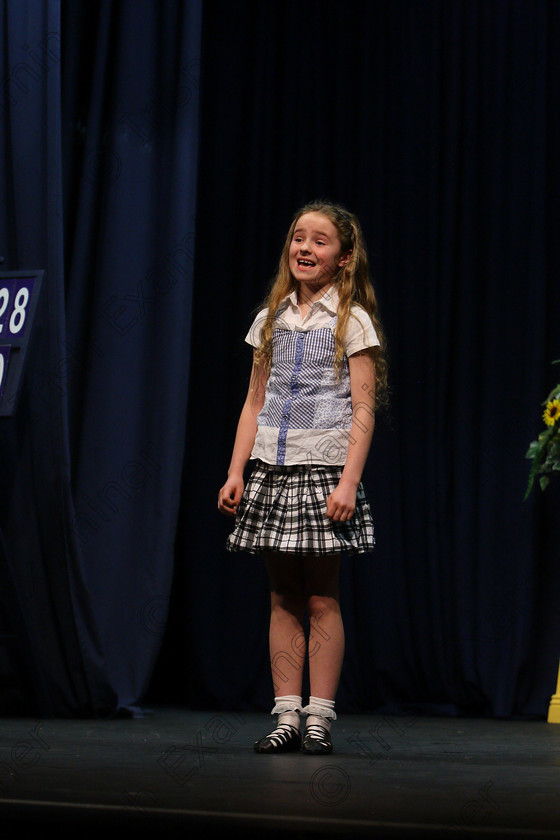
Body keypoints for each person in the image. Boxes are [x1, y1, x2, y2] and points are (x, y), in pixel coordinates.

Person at [218, 199, 388, 755]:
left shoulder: (351, 319)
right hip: (272, 469)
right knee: (282, 596)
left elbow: (363, 409)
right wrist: (236, 471)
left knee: (321, 597)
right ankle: (286, 714)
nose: (305, 248)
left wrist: (348, 482)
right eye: (298, 238)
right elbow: (253, 401)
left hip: (324, 471)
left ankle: (319, 717)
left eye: (319, 241)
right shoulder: (272, 318)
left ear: (342, 258)